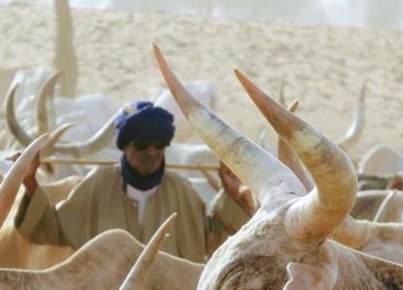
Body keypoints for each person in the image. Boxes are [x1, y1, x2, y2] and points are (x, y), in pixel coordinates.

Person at [14, 100, 252, 262]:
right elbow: (51, 229)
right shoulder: (98, 185)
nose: (152, 152)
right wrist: (30, 181)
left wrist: (230, 193)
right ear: (125, 146)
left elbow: (211, 239)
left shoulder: (180, 191)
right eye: (142, 144)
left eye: (158, 144)